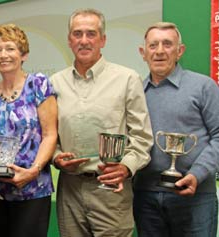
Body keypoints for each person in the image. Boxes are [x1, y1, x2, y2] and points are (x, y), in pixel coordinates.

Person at [49, 8, 153, 237]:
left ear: (103, 39)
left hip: (111, 189)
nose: (84, 40)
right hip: (70, 190)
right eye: (77, 34)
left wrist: (126, 167)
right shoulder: (54, 83)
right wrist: (56, 157)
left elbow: (142, 137)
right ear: (69, 40)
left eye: (91, 34)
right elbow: (48, 135)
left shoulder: (127, 79)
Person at [0, 24, 58, 237]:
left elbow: (50, 134)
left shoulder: (39, 85)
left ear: (23, 54)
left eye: (10, 48)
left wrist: (34, 170)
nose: (3, 55)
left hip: (33, 189)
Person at [133, 22, 219, 237]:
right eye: (153, 45)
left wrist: (197, 174)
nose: (160, 51)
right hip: (145, 196)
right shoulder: (135, 93)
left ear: (180, 51)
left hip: (196, 197)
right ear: (143, 53)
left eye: (167, 44)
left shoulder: (203, 86)